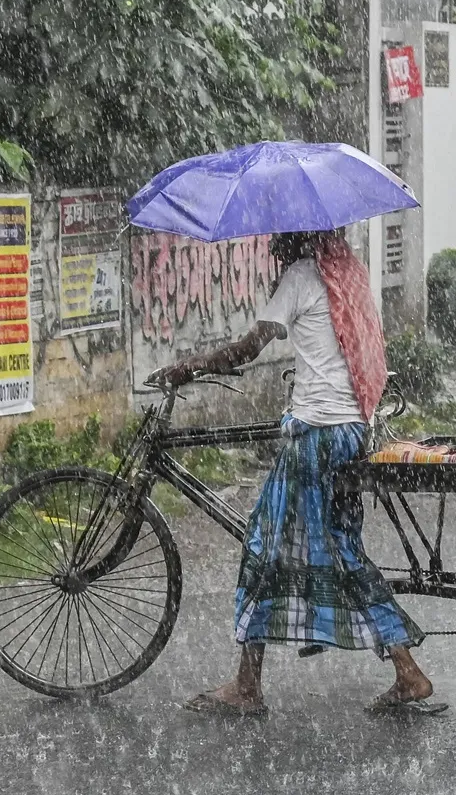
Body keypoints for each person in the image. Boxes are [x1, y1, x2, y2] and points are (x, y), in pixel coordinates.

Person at [157, 230, 441, 718]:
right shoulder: (345, 275)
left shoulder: (303, 276)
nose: (271, 250)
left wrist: (190, 366)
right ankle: (402, 670)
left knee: (266, 548)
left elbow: (249, 348)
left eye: (278, 241)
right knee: (335, 551)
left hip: (316, 439)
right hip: (350, 432)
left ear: (296, 240)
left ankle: (250, 686)